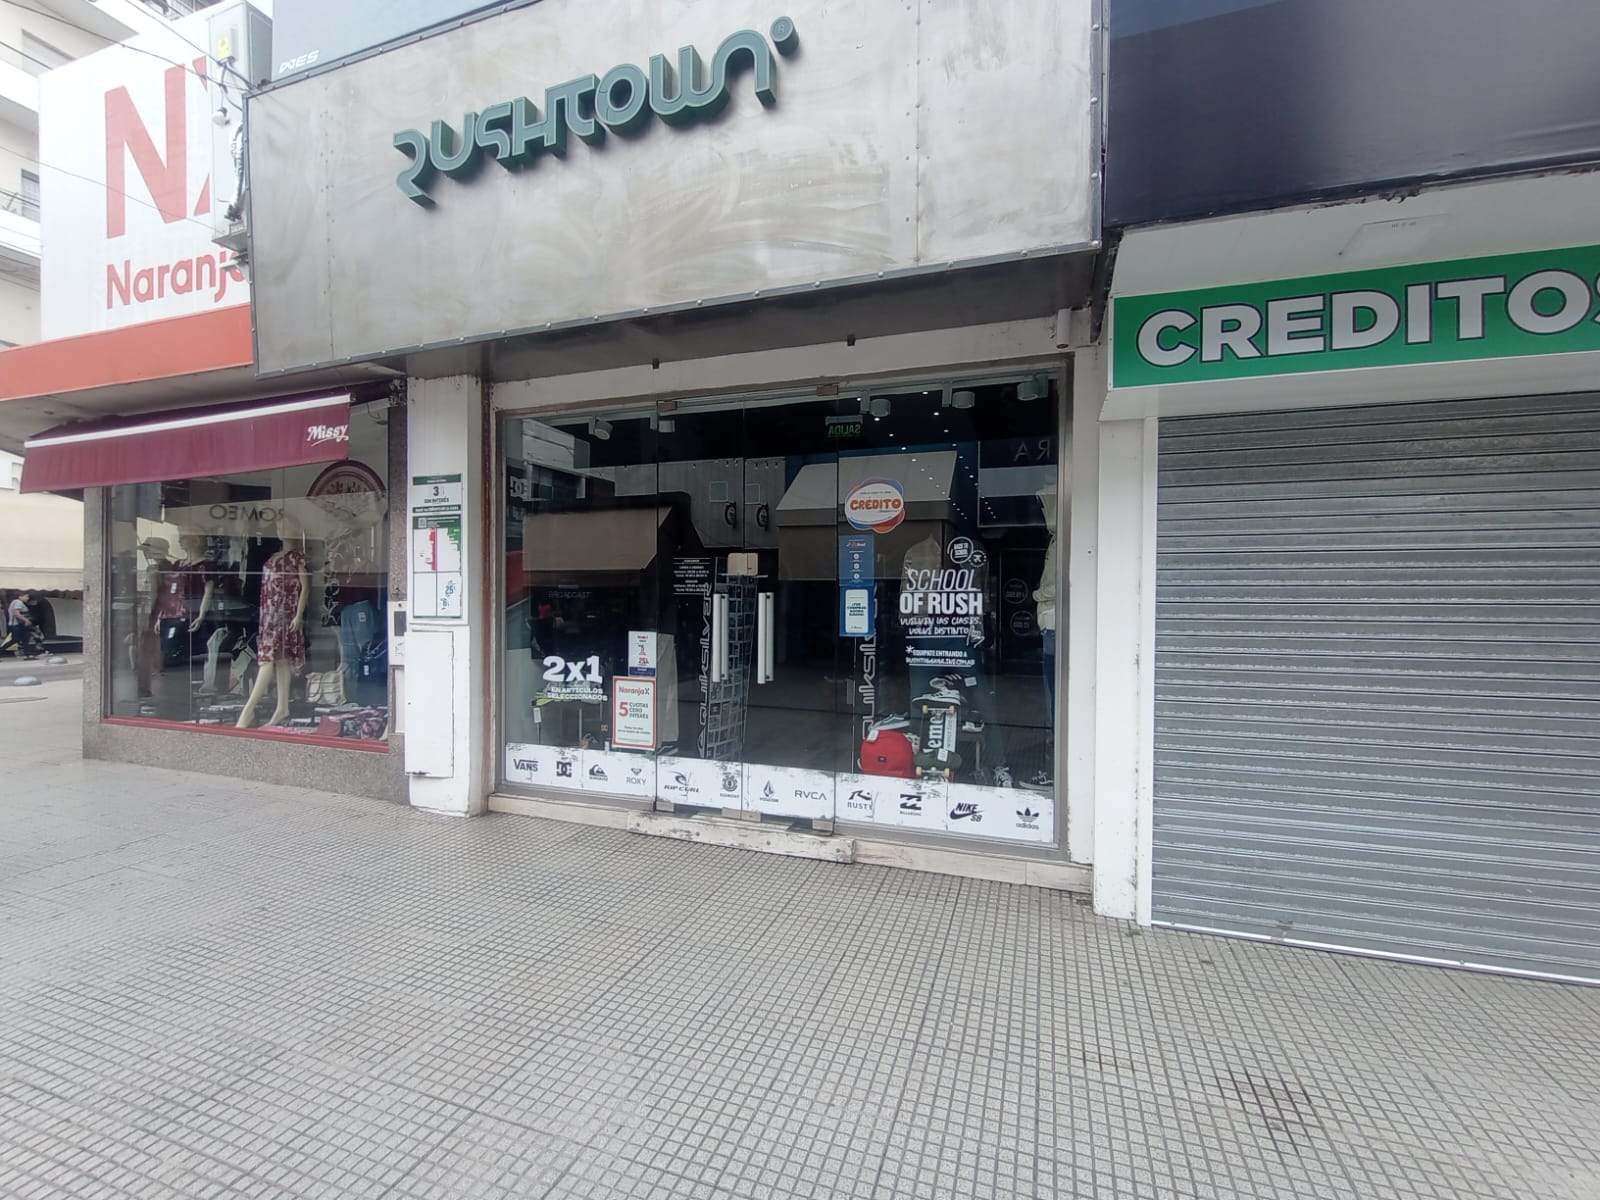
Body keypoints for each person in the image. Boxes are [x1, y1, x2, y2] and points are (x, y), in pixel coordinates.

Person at [6, 589, 40, 658]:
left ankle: (28, 654)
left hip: (17, 625)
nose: (27, 598)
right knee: (15, 640)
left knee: (25, 638)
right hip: (16, 625)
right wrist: (26, 620)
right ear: (20, 596)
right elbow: (16, 613)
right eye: (26, 596)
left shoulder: (16, 602)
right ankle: (27, 654)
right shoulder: (18, 602)